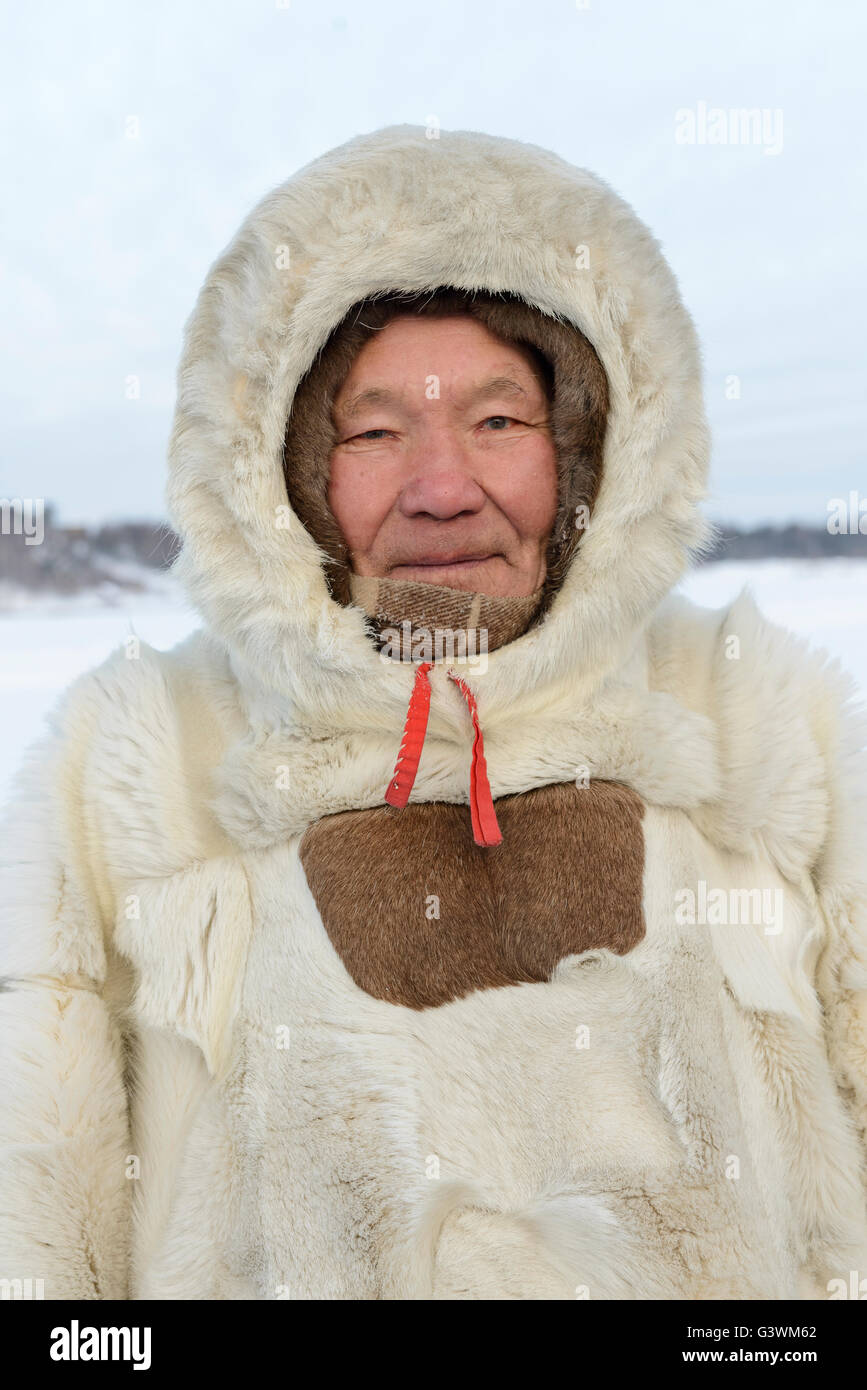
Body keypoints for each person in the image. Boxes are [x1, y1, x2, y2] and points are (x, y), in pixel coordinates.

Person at [1, 123, 865, 1301]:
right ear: (287, 468)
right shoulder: (134, 757)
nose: (443, 488)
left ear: (590, 452)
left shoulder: (768, 717)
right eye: (374, 430)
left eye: (500, 420)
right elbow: (36, 1227)